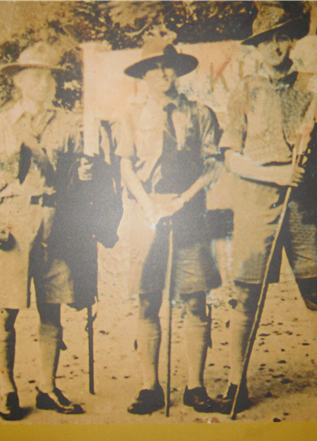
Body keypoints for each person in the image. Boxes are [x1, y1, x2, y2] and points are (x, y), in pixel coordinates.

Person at [218, 4, 317, 413]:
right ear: (256, 47)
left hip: (305, 205)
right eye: (266, 41)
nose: (275, 47)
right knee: (245, 295)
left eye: (281, 38)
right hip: (255, 204)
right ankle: (236, 384)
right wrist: (275, 174)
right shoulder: (244, 90)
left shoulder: (315, 85)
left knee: (316, 291)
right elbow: (231, 158)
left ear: (291, 41)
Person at [0, 42, 92, 419]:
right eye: (35, 77)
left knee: (51, 309)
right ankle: (7, 389)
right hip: (12, 223)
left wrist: (85, 175)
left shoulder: (68, 124)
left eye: (49, 78)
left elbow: (74, 178)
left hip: (55, 223)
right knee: (6, 310)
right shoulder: (0, 124)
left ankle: (47, 387)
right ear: (19, 82)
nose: (43, 84)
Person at [117, 37, 222, 415]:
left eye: (168, 66)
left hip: (188, 211)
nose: (162, 73)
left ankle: (195, 386)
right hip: (146, 214)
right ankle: (150, 386)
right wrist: (149, 205)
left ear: (177, 71)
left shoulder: (200, 113)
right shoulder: (130, 115)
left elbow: (213, 164)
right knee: (148, 300)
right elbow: (125, 165)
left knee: (195, 299)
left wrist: (184, 199)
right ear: (143, 75)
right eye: (154, 67)